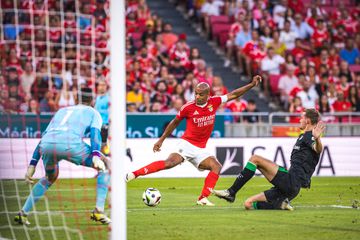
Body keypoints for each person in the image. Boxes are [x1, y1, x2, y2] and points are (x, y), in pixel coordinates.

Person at [126, 75, 262, 206]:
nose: (197, 96)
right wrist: (161, 140)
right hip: (186, 144)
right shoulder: (188, 107)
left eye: (201, 94)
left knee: (216, 166)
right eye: (196, 93)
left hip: (200, 149)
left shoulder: (214, 102)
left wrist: (251, 84)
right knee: (169, 163)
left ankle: (203, 199)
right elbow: (174, 122)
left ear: (208, 95)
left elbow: (234, 94)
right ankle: (134, 174)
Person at [14, 88, 111, 225]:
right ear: (93, 102)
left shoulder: (61, 111)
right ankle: (98, 210)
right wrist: (95, 155)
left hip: (47, 145)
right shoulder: (93, 112)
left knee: (50, 177)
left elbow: (45, 137)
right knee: (107, 166)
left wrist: (32, 164)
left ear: (76, 99)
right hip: (71, 145)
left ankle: (23, 213)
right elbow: (96, 135)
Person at [212, 109, 325, 210]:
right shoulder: (303, 136)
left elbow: (318, 149)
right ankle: (280, 204)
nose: (300, 120)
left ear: (308, 120)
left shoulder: (310, 136)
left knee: (255, 159)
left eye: (302, 117)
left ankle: (231, 192)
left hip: (292, 181)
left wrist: (317, 138)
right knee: (248, 204)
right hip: (290, 189)